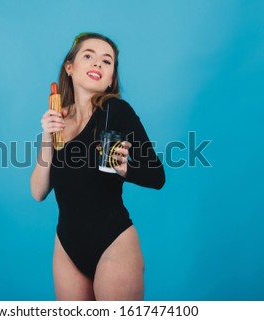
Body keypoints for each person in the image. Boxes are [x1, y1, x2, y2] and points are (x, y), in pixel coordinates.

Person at [31, 32, 165, 300]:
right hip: (67, 246)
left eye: (107, 61)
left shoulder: (117, 111)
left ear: (111, 78)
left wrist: (125, 168)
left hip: (113, 243)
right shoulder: (58, 117)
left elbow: (157, 176)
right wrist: (47, 136)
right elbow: (38, 192)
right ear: (69, 67)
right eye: (88, 56)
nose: (98, 64)